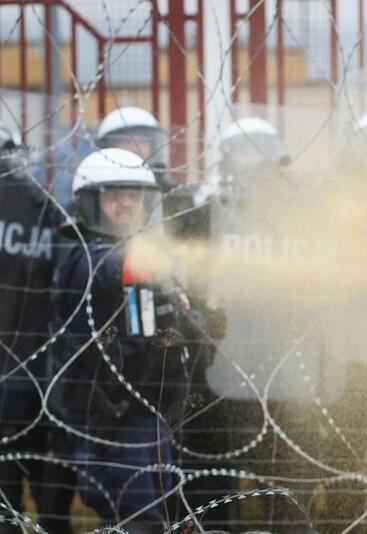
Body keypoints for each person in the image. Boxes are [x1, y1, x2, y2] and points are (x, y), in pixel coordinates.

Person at [51, 148, 211, 533]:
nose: (125, 204)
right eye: (113, 195)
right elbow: (106, 270)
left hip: (159, 415)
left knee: (166, 521)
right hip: (116, 420)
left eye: (133, 196)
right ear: (92, 203)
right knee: (141, 524)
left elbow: (182, 334)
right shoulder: (85, 257)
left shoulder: (149, 259)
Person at [0, 122, 73, 533]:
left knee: (6, 480)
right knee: (49, 474)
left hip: (13, 368)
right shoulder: (44, 205)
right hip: (44, 368)